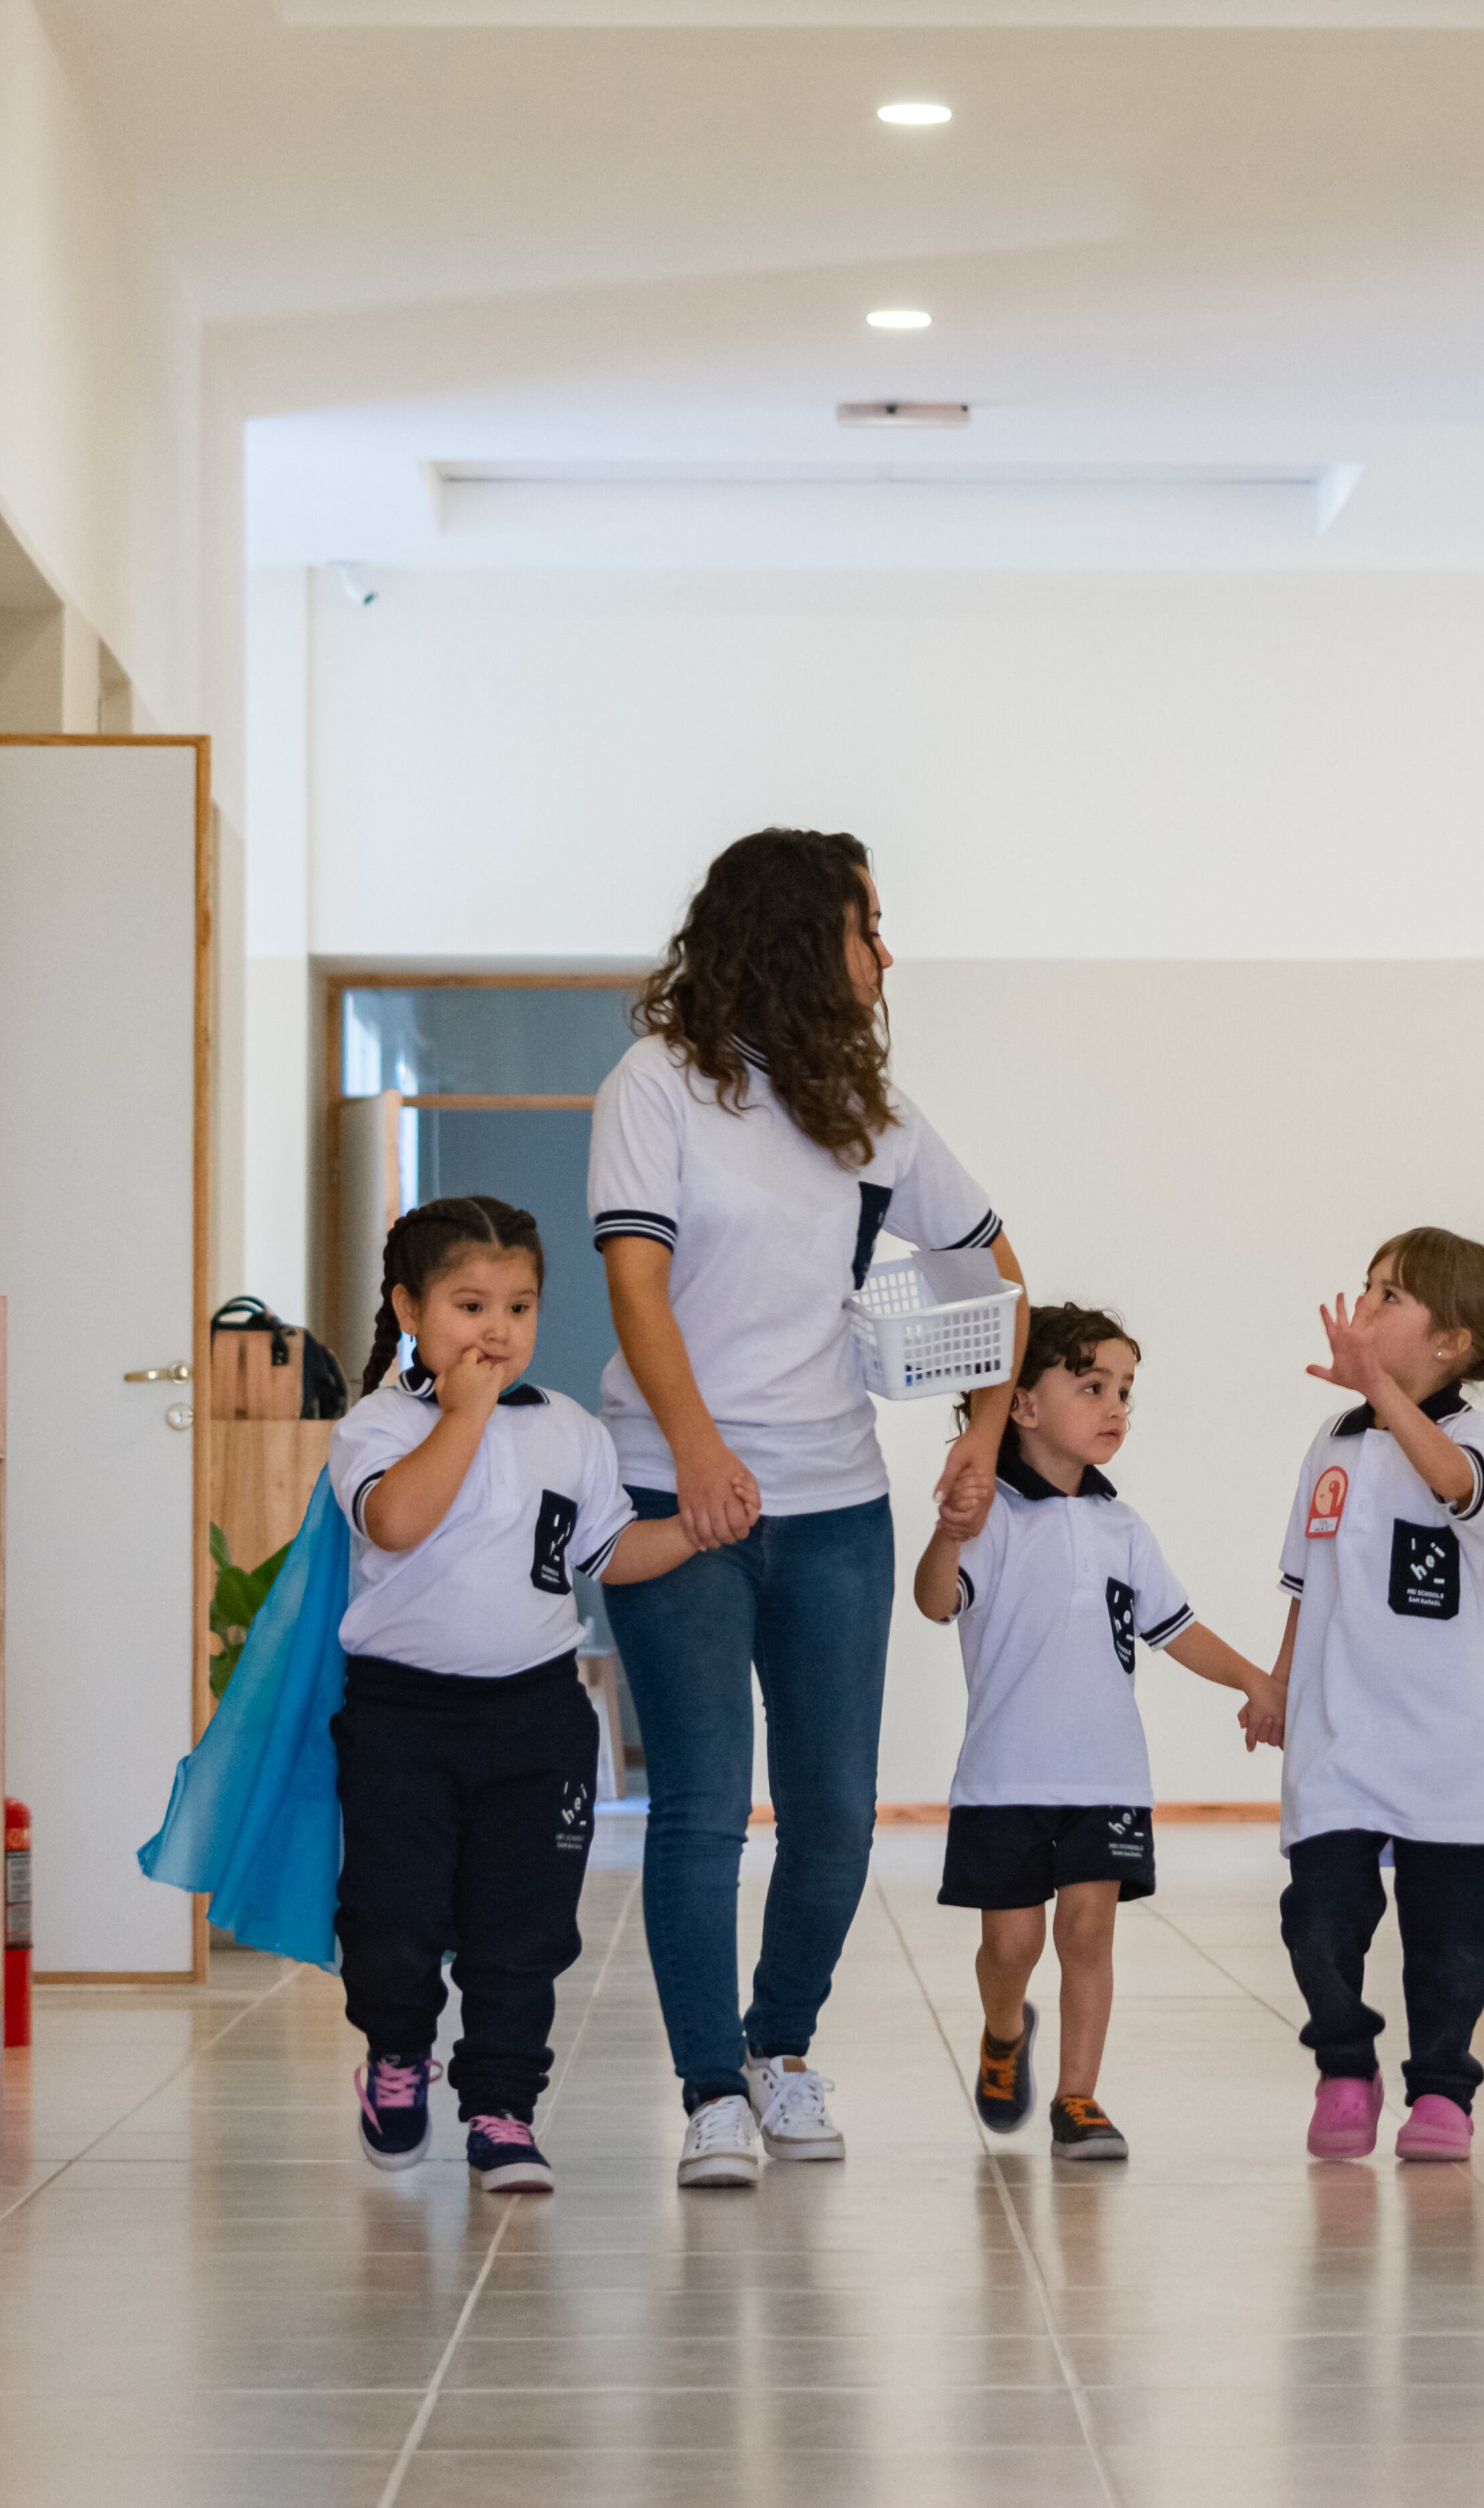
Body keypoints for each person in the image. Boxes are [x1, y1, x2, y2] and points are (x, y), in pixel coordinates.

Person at [591, 829, 1028, 2189]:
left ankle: (779, 2051)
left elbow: (990, 1268)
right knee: (707, 1803)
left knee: (835, 1812)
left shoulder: (868, 1110)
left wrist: (985, 1429)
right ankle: (710, 2089)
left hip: (838, 1501)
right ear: (793, 935)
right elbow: (637, 1284)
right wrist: (699, 1446)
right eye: (867, 927)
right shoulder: (656, 1087)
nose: (885, 955)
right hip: (678, 1489)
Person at [325, 1196, 698, 2193]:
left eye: (520, 1306)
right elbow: (398, 1521)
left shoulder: (569, 1430)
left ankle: (502, 2106)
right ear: (409, 1308)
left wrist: (700, 1528)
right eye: (469, 1303)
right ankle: (398, 2054)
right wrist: (466, 1411)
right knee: (394, 1918)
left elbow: (606, 1550)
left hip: (535, 1717)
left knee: (523, 1928)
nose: (498, 1330)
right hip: (403, 1717)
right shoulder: (378, 1424)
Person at [910, 1304, 1279, 2162]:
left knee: (1086, 1933)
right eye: (1091, 1387)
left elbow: (1177, 1629)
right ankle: (1005, 2033)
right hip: (1005, 1778)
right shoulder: (991, 1515)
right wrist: (948, 1530)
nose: (1115, 1406)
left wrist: (1255, 1679)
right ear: (1025, 1406)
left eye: (1124, 1391)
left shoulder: (1123, 1527)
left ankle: (1079, 2099)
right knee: (1011, 1944)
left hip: (1107, 1775)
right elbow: (935, 1602)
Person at [1268, 1227, 1484, 2164]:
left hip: (1446, 1751)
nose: (1364, 1307)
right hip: (1339, 1734)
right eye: (1367, 1287)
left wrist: (1381, 1390)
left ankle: (1442, 2087)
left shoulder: (1471, 1435)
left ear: (1451, 1342)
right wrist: (1279, 1686)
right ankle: (1345, 2062)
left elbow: (1457, 1486)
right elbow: (1307, 1582)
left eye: (1390, 1296)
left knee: (1451, 1942)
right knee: (1317, 1918)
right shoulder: (1331, 1443)